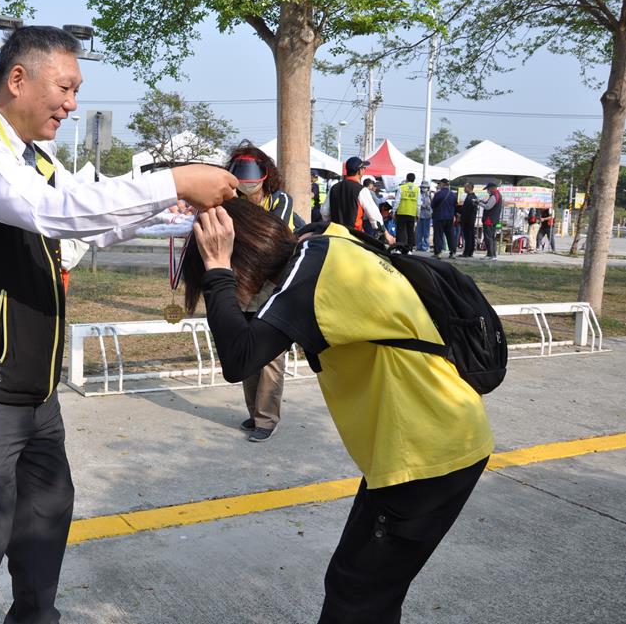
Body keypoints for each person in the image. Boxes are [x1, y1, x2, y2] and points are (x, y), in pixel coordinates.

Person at [0, 25, 237, 624]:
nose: (72, 103)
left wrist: (168, 213)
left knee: (44, 525)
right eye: (65, 87)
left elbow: (84, 227)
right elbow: (55, 211)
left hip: (35, 391)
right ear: (18, 79)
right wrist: (173, 179)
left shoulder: (35, 158)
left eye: (76, 90)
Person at [181, 199, 493, 624]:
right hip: (425, 444)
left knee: (355, 596)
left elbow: (239, 358)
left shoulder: (312, 277)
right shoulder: (323, 242)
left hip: (427, 455)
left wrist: (216, 267)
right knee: (367, 589)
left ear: (242, 261)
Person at [226, 142, 304, 442]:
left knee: (271, 356)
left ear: (265, 176)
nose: (247, 185)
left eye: (252, 178)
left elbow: (270, 238)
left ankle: (267, 419)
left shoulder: (280, 201)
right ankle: (254, 412)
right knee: (247, 352)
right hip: (242, 285)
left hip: (274, 287)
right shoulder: (231, 202)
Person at [321, 157, 394, 244]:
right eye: (364, 168)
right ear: (359, 171)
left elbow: (324, 212)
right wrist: (386, 234)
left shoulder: (334, 188)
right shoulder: (361, 190)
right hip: (353, 236)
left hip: (335, 235)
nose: (365, 170)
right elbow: (374, 216)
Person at [430, 178, 457, 259]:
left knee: (438, 235)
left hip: (439, 217)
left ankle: (438, 252)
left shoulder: (438, 194)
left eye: (439, 184)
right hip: (450, 217)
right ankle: (453, 252)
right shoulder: (453, 194)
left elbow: (433, 205)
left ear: (442, 184)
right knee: (450, 235)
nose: (439, 185)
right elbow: (455, 205)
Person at [394, 172, 419, 249]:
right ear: (414, 179)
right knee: (410, 231)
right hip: (412, 213)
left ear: (406, 179)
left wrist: (394, 211)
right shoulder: (417, 189)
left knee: (400, 231)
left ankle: (399, 248)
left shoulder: (401, 188)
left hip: (401, 212)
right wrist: (418, 214)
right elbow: (419, 204)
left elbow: (397, 201)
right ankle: (409, 249)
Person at [481, 182, 503, 261]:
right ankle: (493, 254)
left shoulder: (494, 196)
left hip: (489, 220)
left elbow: (488, 207)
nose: (487, 190)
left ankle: (490, 255)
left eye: (488, 189)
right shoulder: (497, 195)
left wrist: (478, 203)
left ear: (491, 188)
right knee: (492, 238)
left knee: (488, 238)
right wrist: (483, 202)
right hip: (493, 219)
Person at [457, 182, 479, 258]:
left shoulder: (470, 198)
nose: (464, 189)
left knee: (468, 237)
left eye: (465, 187)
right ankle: (470, 252)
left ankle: (466, 252)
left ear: (469, 188)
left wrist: (461, 216)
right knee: (471, 236)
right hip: (471, 220)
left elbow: (467, 210)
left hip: (468, 220)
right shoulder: (473, 197)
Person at [416, 180, 432, 251]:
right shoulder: (418, 194)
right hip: (419, 215)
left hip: (427, 215)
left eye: (425, 187)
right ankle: (419, 246)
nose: (424, 188)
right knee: (419, 232)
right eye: (422, 187)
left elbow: (431, 205)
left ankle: (426, 246)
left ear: (428, 188)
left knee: (426, 232)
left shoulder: (430, 195)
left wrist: (425, 206)